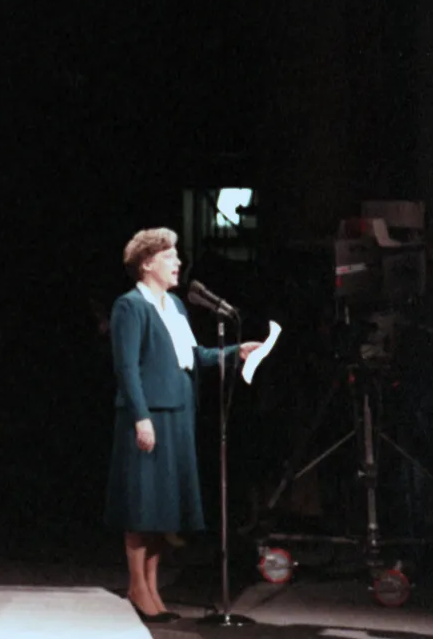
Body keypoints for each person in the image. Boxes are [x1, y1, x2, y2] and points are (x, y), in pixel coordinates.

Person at [103, 228, 260, 623]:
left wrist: (234, 352)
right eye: (170, 256)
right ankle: (137, 587)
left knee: (163, 507)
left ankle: (151, 588)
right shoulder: (129, 306)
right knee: (142, 505)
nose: (178, 263)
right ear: (147, 263)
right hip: (149, 414)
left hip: (178, 413)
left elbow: (193, 355)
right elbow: (126, 368)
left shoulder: (174, 305)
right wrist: (141, 418)